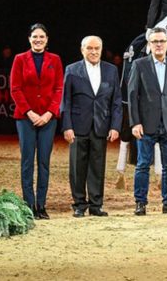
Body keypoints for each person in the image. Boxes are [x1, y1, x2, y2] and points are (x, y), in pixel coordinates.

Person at [128, 28, 167, 216]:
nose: (159, 44)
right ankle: (140, 203)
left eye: (162, 41)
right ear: (149, 44)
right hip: (146, 124)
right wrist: (135, 122)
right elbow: (132, 96)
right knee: (143, 165)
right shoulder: (139, 65)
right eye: (155, 41)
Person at [61, 36, 122, 218]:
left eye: (97, 48)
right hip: (78, 127)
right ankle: (79, 204)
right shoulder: (72, 70)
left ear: (102, 49)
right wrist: (67, 126)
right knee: (77, 167)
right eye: (90, 48)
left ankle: (96, 205)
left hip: (101, 126)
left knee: (97, 167)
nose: (94, 52)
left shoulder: (111, 70)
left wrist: (115, 126)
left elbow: (116, 101)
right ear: (82, 50)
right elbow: (66, 101)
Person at [10, 23, 64, 219]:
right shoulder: (20, 59)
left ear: (47, 39)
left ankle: (41, 205)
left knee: (43, 162)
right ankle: (28, 206)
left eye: (42, 37)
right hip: (26, 119)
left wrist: (49, 113)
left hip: (48, 119)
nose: (38, 40)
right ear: (29, 39)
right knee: (27, 162)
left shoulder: (55, 60)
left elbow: (59, 88)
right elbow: (15, 89)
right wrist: (30, 113)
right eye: (35, 36)